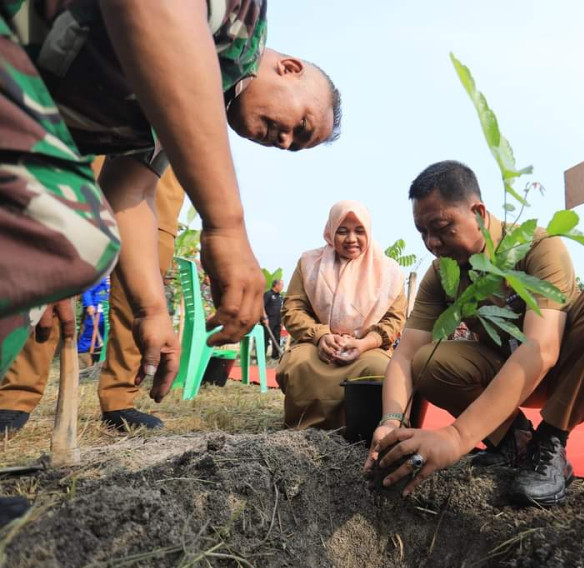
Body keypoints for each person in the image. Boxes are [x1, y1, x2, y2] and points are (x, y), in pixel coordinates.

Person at [0, 1, 343, 395]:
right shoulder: (244, 14)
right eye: (301, 125)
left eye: (294, 146)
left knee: (73, 238)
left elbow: (128, 192)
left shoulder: (182, 104)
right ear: (290, 69)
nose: (284, 140)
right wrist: (225, 223)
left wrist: (152, 310)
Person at [364, 161, 584, 507]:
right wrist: (390, 420)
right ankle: (516, 442)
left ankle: (550, 443)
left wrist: (456, 437)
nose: (432, 243)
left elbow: (542, 349)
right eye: (423, 232)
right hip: (502, 373)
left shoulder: (538, 248)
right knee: (427, 361)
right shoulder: (444, 272)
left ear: (478, 213)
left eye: (442, 227)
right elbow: (405, 354)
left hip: (563, 370)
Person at [0, 163, 184, 433]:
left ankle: (120, 398)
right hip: (87, 162)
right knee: (49, 275)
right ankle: (15, 396)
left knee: (141, 294)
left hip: (158, 181)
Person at [276, 201, 407, 430]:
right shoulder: (309, 263)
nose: (351, 239)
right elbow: (293, 308)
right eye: (342, 231)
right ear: (330, 232)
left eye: (359, 231)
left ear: (369, 231)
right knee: (297, 364)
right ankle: (306, 431)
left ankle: (362, 429)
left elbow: (394, 319)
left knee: (379, 371)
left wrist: (365, 343)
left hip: (368, 347)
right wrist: (321, 336)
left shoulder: (390, 272)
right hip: (317, 343)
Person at [77, 277, 111, 367]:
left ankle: (103, 359)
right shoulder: (100, 274)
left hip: (110, 309)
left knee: (107, 335)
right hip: (97, 310)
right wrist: (89, 305)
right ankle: (82, 357)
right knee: (90, 334)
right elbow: (87, 290)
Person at [263, 280, 285, 359]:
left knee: (277, 338)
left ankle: (275, 356)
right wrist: (264, 317)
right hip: (268, 321)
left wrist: (282, 321)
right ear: (276, 285)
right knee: (265, 338)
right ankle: (261, 357)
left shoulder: (280, 297)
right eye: (282, 285)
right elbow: (261, 306)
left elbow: (281, 309)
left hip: (277, 321)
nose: (283, 287)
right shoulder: (268, 294)